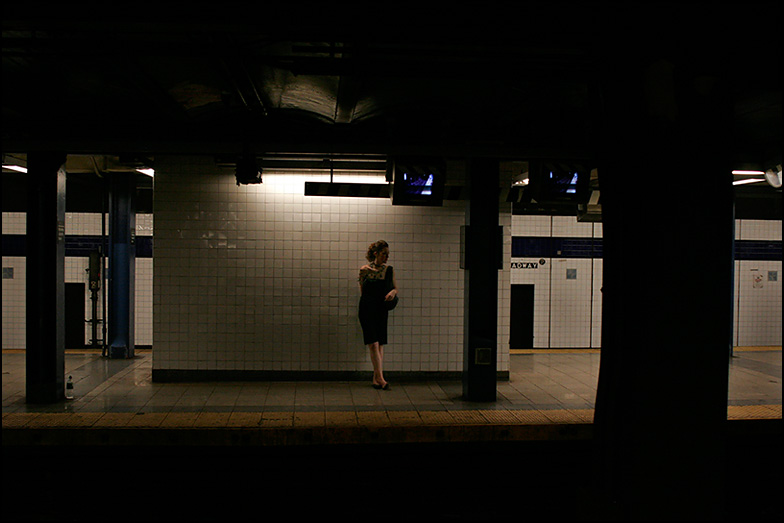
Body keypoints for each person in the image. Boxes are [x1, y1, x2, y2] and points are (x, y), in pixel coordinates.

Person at [358, 240, 397, 390]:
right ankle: (381, 378)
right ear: (376, 254)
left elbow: (395, 288)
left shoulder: (389, 270)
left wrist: (392, 293)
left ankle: (376, 378)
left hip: (381, 309)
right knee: (373, 343)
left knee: (380, 344)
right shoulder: (364, 270)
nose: (386, 257)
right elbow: (362, 290)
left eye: (388, 255)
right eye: (383, 254)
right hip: (367, 308)